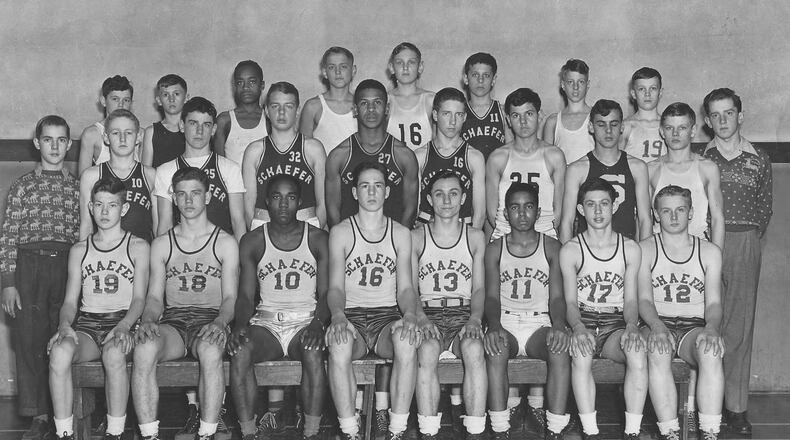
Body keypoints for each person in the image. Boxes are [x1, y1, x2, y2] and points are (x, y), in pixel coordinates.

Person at [132, 167, 239, 440]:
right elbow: (155, 298)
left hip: (210, 318)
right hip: (175, 322)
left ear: (208, 197)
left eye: (195, 194)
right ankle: (149, 435)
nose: (188, 201)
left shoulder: (225, 242)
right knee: (143, 348)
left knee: (211, 351)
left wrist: (220, 322)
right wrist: (146, 320)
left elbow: (229, 299)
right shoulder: (162, 243)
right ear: (174, 198)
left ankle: (207, 433)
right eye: (182, 195)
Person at [325, 162, 421, 440]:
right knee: (339, 346)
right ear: (355, 192)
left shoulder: (401, 233)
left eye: (378, 186)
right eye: (365, 186)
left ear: (387, 192)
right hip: (352, 314)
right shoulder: (341, 232)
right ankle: (350, 432)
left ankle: (396, 431)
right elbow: (335, 287)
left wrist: (410, 315)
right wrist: (338, 315)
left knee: (406, 340)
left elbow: (405, 288)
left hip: (386, 317)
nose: (371, 191)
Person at [229, 174, 329, 440]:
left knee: (313, 350)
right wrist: (239, 324)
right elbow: (246, 297)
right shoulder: (252, 240)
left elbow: (328, 292)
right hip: (267, 323)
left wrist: (318, 323)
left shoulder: (318, 238)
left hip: (305, 321)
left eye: (291, 197)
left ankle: (311, 432)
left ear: (300, 203)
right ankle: (248, 433)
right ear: (266, 202)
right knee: (239, 351)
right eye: (276, 197)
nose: (283, 204)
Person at [48, 177, 149, 440]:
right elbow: (70, 302)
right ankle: (65, 433)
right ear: (90, 207)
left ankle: (114, 433)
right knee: (59, 352)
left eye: (112, 205)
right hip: (88, 324)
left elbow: (140, 299)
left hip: (123, 321)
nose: (104, 212)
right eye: (99, 205)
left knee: (114, 354)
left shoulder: (138, 246)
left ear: (123, 209)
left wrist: (124, 326)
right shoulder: (80, 249)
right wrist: (64, 326)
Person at [0, 115, 80, 440]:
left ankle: (66, 411)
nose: (55, 146)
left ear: (69, 144)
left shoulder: (77, 188)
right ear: (37, 143)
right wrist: (8, 283)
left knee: (61, 338)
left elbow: (81, 235)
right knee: (30, 342)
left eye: (61, 140)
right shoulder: (21, 187)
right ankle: (40, 416)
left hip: (65, 265)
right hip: (29, 267)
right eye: (48, 139)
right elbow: (7, 236)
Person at [702, 88, 773, 435]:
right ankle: (706, 404)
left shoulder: (759, 157)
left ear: (740, 115)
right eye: (715, 115)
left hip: (744, 240)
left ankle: (736, 407)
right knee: (706, 322)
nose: (722, 120)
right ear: (706, 120)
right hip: (705, 242)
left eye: (728, 113)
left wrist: (745, 242)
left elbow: (764, 208)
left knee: (739, 327)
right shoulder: (703, 157)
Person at [559, 178, 647, 440]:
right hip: (582, 319)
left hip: (615, 324)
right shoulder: (571, 249)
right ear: (580, 209)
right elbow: (570, 303)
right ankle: (591, 431)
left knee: (637, 350)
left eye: (604, 204)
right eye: (591, 204)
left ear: (615, 206)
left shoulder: (630, 248)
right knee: (582, 353)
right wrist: (577, 328)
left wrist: (632, 326)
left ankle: (632, 432)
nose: (598, 211)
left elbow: (631, 301)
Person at [484, 182, 571, 440]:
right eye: (515, 207)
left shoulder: (552, 246)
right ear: (505, 213)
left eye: (528, 207)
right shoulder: (495, 248)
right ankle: (500, 429)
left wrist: (558, 325)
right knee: (496, 347)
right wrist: (495, 325)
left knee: (559, 348)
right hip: (507, 321)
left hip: (538, 323)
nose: (522, 214)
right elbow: (490, 296)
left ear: (538, 211)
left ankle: (554, 429)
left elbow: (557, 297)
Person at [638, 185, 725, 440]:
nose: (673, 217)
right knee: (657, 349)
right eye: (666, 211)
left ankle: (710, 432)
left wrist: (711, 329)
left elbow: (714, 304)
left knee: (710, 351)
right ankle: (670, 432)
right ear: (656, 215)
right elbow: (643, 299)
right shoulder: (644, 249)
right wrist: (656, 326)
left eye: (680, 210)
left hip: (692, 326)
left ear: (691, 213)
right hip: (658, 322)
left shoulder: (709, 251)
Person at [411, 171, 488, 440]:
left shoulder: (475, 237)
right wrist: (420, 318)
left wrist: (476, 319)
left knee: (474, 348)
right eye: (439, 194)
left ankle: (476, 433)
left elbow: (479, 288)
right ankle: (429, 433)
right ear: (430, 200)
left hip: (463, 312)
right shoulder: (417, 236)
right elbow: (409, 288)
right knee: (427, 351)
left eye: (453, 193)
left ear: (463, 198)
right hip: (428, 312)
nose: (447, 200)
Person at [325, 79, 419, 227]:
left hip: (392, 242)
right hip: (351, 243)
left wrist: (397, 242)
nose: (371, 109)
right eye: (364, 103)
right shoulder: (339, 156)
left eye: (377, 103)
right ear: (355, 110)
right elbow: (332, 212)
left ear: (387, 108)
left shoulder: (404, 156)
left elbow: (410, 210)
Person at [154, 97, 246, 241]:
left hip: (220, 253)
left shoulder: (229, 169)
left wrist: (240, 260)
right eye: (193, 123)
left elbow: (238, 222)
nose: (199, 130)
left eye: (206, 125)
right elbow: (165, 224)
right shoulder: (166, 171)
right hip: (181, 252)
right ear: (182, 126)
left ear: (214, 129)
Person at [559, 99, 652, 243]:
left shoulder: (638, 167)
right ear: (591, 127)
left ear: (622, 127)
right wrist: (567, 259)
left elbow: (645, 219)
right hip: (587, 254)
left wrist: (645, 259)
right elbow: (567, 222)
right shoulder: (577, 169)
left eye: (614, 124)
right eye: (601, 124)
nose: (608, 130)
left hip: (626, 253)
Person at [242, 82, 326, 229]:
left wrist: (313, 234)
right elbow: (248, 206)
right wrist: (259, 235)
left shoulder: (313, 149)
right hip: (264, 225)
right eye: (275, 106)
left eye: (288, 106)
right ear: (267, 111)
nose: (281, 113)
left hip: (306, 225)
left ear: (297, 110)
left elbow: (323, 202)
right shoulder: (255, 151)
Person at [488, 88, 566, 241]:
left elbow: (558, 210)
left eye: (529, 114)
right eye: (516, 115)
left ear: (540, 115)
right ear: (509, 120)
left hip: (544, 234)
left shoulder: (554, 156)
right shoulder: (497, 158)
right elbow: (491, 212)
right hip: (505, 235)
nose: (523, 121)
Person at [649, 102, 724, 248]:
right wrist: (645, 258)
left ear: (693, 130)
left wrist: (716, 259)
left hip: (698, 250)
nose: (675, 133)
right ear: (662, 131)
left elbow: (717, 219)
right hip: (660, 251)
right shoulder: (650, 169)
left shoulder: (707, 168)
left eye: (682, 128)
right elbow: (643, 219)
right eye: (670, 128)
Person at [79, 109, 157, 242]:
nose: (122, 138)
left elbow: (158, 227)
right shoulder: (91, 175)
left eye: (128, 133)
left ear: (138, 137)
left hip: (141, 256)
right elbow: (86, 225)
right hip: (103, 255)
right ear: (106, 137)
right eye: (115, 133)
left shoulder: (150, 175)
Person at [415, 87, 486, 228]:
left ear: (465, 117)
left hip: (463, 229)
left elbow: (479, 214)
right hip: (426, 229)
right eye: (446, 114)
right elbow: (414, 208)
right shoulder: (420, 156)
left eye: (458, 114)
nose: (453, 121)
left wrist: (469, 242)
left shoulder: (474, 157)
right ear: (435, 115)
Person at [300, 46, 358, 155]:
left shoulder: (361, 104)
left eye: (343, 66)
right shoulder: (313, 106)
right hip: (323, 171)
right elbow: (304, 149)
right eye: (332, 67)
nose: (338, 72)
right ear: (325, 72)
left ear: (353, 70)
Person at [79, 75, 138, 175]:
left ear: (131, 103)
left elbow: (145, 174)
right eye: (115, 99)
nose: (121, 104)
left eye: (126, 100)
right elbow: (83, 176)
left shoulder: (140, 133)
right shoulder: (92, 133)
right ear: (103, 101)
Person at [214, 60, 268, 165]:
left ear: (262, 85)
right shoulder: (224, 121)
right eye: (240, 82)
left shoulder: (269, 120)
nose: (245, 87)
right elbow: (219, 165)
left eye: (252, 82)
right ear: (234, 86)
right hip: (232, 181)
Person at [460, 52, 512, 160]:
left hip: (497, 174)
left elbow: (512, 152)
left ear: (493, 79)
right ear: (465, 78)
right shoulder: (458, 112)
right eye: (475, 75)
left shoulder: (503, 112)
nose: (480, 80)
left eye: (486, 75)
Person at [542, 59, 594, 164]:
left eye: (581, 82)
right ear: (563, 85)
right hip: (563, 179)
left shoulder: (596, 117)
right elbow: (547, 162)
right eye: (570, 82)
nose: (575, 87)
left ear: (587, 84)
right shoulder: (553, 122)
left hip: (592, 179)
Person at [386, 42, 435, 151]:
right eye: (399, 62)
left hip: (425, 165)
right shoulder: (385, 100)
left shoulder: (431, 100)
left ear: (420, 67)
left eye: (411, 62)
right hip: (394, 165)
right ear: (391, 67)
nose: (405, 67)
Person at [142, 74, 187, 168]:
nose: (171, 99)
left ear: (186, 98)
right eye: (166, 95)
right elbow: (146, 171)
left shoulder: (193, 128)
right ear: (159, 100)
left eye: (176, 94)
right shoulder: (151, 132)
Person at [621, 67, 665, 162]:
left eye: (653, 88)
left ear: (660, 92)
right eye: (641, 89)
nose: (647, 94)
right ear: (633, 93)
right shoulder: (626, 126)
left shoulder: (668, 125)